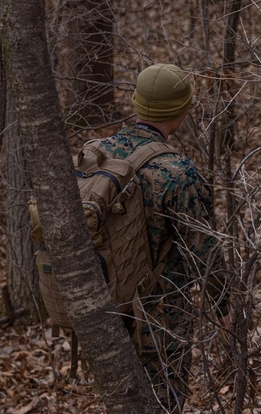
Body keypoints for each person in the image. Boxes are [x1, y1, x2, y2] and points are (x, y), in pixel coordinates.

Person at [96, 63, 229, 413]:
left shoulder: (96, 155)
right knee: (162, 404)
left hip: (102, 313)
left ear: (136, 102)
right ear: (182, 109)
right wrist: (224, 307)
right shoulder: (179, 173)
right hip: (161, 323)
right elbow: (205, 253)